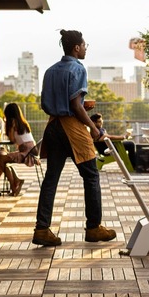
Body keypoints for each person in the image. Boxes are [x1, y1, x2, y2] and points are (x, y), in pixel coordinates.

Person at [34, 29, 116, 246]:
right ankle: (93, 228)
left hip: (53, 126)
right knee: (91, 177)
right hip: (72, 127)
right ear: (76, 47)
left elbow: (46, 104)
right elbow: (75, 105)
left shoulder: (50, 71)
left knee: (51, 178)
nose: (86, 48)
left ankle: (42, 229)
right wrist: (94, 128)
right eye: (84, 45)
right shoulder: (78, 68)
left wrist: (73, 106)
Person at [0, 103, 33, 195]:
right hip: (31, 150)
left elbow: (12, 140)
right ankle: (16, 181)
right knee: (2, 160)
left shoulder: (13, 123)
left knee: (1, 160)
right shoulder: (22, 122)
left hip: (26, 153)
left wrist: (7, 125)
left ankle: (13, 185)